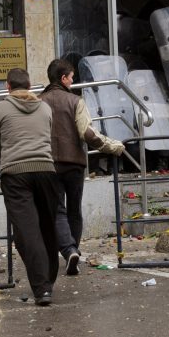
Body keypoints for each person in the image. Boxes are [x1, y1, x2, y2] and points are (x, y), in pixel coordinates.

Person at [39, 59, 125, 276]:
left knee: (57, 210)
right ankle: (72, 251)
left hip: (48, 163)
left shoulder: (38, 102)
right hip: (74, 164)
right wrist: (112, 146)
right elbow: (87, 133)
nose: (73, 80)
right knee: (74, 210)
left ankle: (69, 252)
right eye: (71, 77)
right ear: (63, 78)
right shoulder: (75, 101)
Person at [0, 68, 60, 306]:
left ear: (8, 86)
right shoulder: (45, 108)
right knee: (47, 227)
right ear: (29, 86)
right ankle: (48, 280)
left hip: (15, 174)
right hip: (46, 171)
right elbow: (47, 137)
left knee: (27, 232)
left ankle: (42, 288)